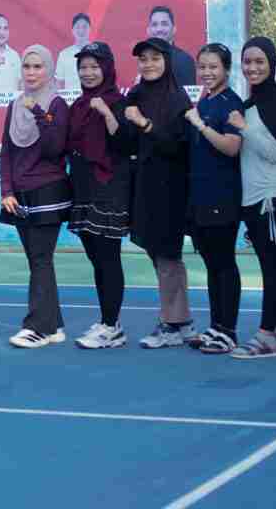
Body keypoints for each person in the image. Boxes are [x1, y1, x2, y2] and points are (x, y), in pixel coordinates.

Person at [226, 37, 276, 359]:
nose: (252, 67)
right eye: (247, 61)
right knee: (272, 267)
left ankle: (267, 334)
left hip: (274, 199)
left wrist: (244, 127)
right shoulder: (252, 102)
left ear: (271, 63)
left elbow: (274, 152)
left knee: (271, 268)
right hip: (256, 200)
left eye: (259, 61)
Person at [123, 36, 193, 348]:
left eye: (155, 58)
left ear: (167, 61)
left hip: (171, 186)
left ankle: (172, 323)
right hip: (144, 185)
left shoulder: (178, 98)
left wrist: (145, 124)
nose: (148, 64)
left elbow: (178, 146)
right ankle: (180, 321)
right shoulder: (136, 94)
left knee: (168, 255)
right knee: (157, 253)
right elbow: (127, 140)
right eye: (143, 59)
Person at [0, 46, 72, 348]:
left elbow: (55, 147)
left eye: (38, 66)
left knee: (41, 259)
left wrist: (38, 113)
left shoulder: (57, 104)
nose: (31, 72)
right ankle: (53, 325)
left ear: (50, 70)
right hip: (19, 196)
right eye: (27, 66)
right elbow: (7, 151)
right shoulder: (14, 105)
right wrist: (6, 190)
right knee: (37, 261)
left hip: (48, 191)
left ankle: (37, 327)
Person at [67, 42, 134, 350]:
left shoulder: (119, 102)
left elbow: (125, 144)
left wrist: (106, 112)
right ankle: (108, 321)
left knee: (108, 258)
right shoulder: (78, 106)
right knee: (96, 258)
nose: (88, 73)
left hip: (109, 188)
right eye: (83, 67)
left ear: (106, 69)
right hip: (82, 188)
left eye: (95, 67)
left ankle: (111, 326)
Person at [181, 44, 244, 354]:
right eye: (202, 67)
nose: (207, 72)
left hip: (223, 195)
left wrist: (200, 125)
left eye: (213, 67)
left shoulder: (231, 104)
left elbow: (232, 147)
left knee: (223, 262)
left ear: (227, 70)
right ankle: (216, 326)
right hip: (200, 197)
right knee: (211, 263)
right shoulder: (205, 101)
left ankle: (228, 330)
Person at [145, 5, 197, 86]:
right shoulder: (144, 59)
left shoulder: (185, 60)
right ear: (148, 30)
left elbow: (187, 93)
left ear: (174, 29)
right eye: (154, 24)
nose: (159, 29)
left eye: (164, 24)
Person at [54, 13, 93, 92]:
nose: (81, 30)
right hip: (71, 98)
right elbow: (59, 83)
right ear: (72, 30)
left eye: (84, 27)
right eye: (77, 27)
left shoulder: (99, 52)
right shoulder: (64, 54)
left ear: (90, 29)